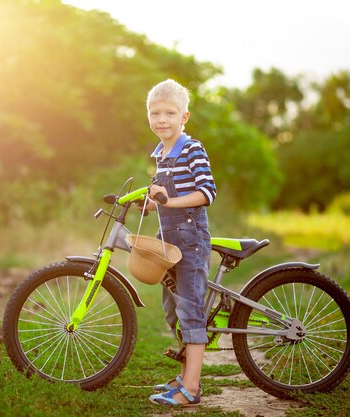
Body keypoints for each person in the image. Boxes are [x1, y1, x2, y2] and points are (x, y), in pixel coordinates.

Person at [143, 79, 217, 406]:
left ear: (184, 117)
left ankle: (193, 387)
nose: (162, 119)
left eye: (169, 113)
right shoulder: (160, 153)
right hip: (168, 241)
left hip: (190, 239)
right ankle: (183, 378)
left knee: (190, 310)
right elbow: (164, 193)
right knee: (173, 311)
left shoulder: (192, 149)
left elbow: (206, 193)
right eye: (155, 112)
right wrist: (150, 202)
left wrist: (168, 202)